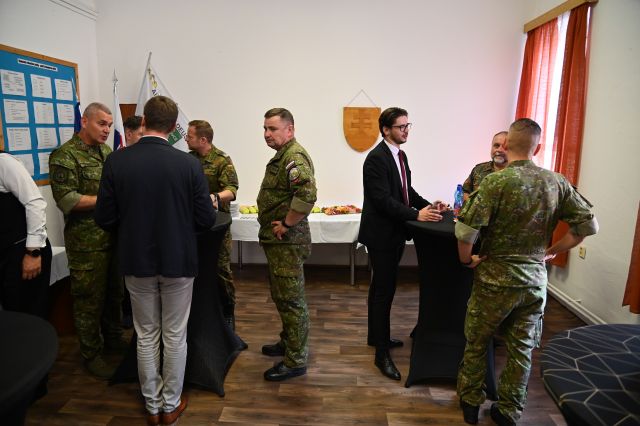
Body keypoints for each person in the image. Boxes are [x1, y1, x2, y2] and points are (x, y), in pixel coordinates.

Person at [455, 118, 598, 425]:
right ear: (538, 146)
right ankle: (509, 410)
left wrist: (467, 261)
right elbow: (588, 226)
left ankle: (470, 403)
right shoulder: (557, 182)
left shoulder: (494, 182)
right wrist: (552, 251)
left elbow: (466, 231)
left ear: (506, 145)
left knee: (477, 341)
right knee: (521, 349)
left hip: (493, 280)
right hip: (533, 282)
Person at [95, 96, 216, 426]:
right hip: (179, 260)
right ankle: (170, 405)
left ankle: (152, 406)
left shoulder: (117, 161)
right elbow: (206, 219)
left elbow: (104, 217)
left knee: (146, 334)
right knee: (175, 335)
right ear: (175, 127)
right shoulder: (189, 164)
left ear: (144, 121)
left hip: (136, 260)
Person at [358, 107, 447, 381]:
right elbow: (383, 200)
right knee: (383, 291)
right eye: (401, 127)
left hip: (394, 233)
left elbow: (407, 192)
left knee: (381, 288)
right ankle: (381, 353)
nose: (406, 131)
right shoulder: (376, 159)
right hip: (381, 235)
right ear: (386, 130)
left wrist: (429, 205)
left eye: (408, 125)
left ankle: (377, 337)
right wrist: (416, 215)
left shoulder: (400, 155)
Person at [49, 102, 126, 379]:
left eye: (109, 125)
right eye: (101, 124)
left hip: (112, 237)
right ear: (84, 122)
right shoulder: (65, 155)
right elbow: (67, 199)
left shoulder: (106, 153)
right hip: (86, 244)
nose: (107, 130)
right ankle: (91, 354)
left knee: (115, 294)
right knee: (88, 300)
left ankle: (114, 340)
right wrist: (107, 200)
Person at [257, 108, 316, 382]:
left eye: (273, 129)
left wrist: (287, 224)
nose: (267, 134)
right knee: (282, 296)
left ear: (289, 130)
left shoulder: (293, 157)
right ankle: (288, 341)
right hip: (279, 244)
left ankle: (295, 360)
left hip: (287, 242)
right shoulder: (283, 156)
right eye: (265, 129)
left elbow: (307, 194)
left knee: (292, 301)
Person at [186, 119, 239, 329]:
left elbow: (232, 190)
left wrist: (214, 197)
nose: (186, 139)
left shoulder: (221, 160)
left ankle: (228, 311)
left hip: (218, 226)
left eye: (189, 136)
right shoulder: (188, 160)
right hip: (193, 225)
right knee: (195, 269)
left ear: (203, 140)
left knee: (221, 269)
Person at [0, 151, 52, 317]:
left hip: (23, 252)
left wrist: (33, 252)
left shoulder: (4, 162)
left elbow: (35, 203)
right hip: (5, 251)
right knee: (10, 314)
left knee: (27, 315)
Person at [462, 131, 508, 202]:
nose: (499, 150)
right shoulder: (478, 170)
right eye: (496, 146)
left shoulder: (517, 174)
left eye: (505, 147)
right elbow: (465, 191)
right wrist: (474, 206)